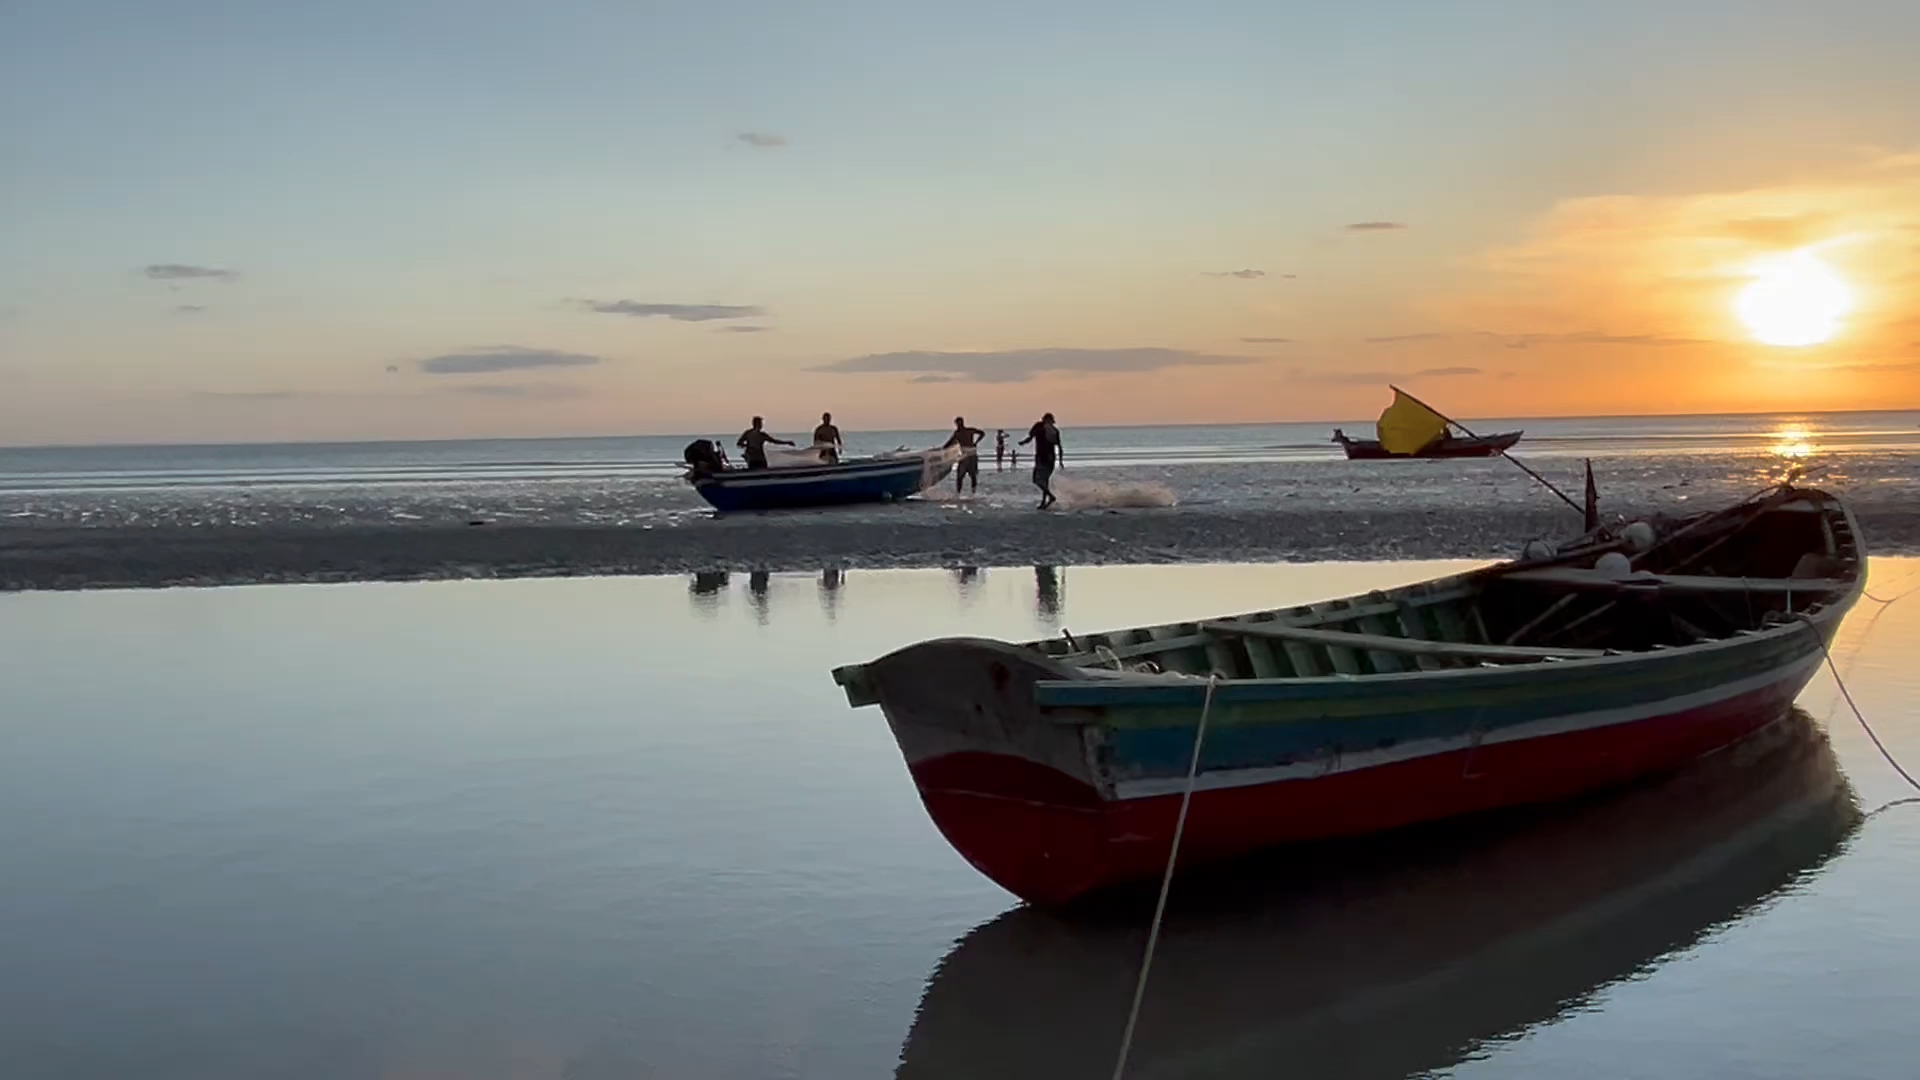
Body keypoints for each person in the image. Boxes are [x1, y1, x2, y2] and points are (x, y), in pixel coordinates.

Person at [1019, 412, 1062, 509]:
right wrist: (1060, 461)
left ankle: (1050, 497)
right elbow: (1059, 446)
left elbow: (1030, 438)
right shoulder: (1055, 430)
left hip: (1041, 457)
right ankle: (1043, 502)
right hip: (1051, 457)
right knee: (1045, 480)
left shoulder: (1038, 427)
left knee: (1036, 479)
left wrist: (1023, 443)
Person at [943, 416, 987, 494]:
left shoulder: (969, 430)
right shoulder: (957, 433)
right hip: (965, 455)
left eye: (959, 423)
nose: (958, 425)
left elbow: (982, 433)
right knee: (960, 476)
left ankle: (973, 493)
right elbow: (950, 443)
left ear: (962, 423)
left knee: (972, 475)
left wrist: (976, 442)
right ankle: (958, 494)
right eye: (957, 424)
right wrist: (942, 449)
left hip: (971, 455)